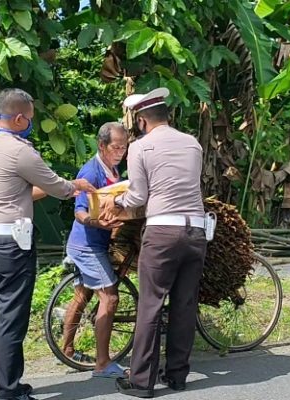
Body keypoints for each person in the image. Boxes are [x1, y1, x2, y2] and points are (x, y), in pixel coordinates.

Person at [0, 88, 96, 400]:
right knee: (11, 317)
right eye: (28, 119)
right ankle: (8, 390)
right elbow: (57, 186)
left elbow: (18, 192)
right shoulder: (20, 150)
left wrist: (60, 188)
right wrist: (75, 186)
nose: (30, 124)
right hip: (12, 244)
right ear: (17, 118)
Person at [100, 88, 208, 398]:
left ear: (143, 120)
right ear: (168, 116)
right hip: (196, 231)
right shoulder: (192, 143)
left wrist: (116, 203)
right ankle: (176, 375)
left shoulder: (141, 147)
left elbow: (138, 197)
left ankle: (141, 382)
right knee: (185, 304)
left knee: (151, 304)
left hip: (162, 232)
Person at [61, 122, 129, 378]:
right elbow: (80, 211)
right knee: (109, 297)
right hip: (87, 245)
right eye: (115, 147)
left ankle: (67, 350)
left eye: (124, 147)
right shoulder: (91, 172)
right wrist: (96, 221)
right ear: (101, 145)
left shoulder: (112, 167)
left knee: (83, 295)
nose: (120, 152)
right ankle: (102, 363)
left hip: (93, 243)